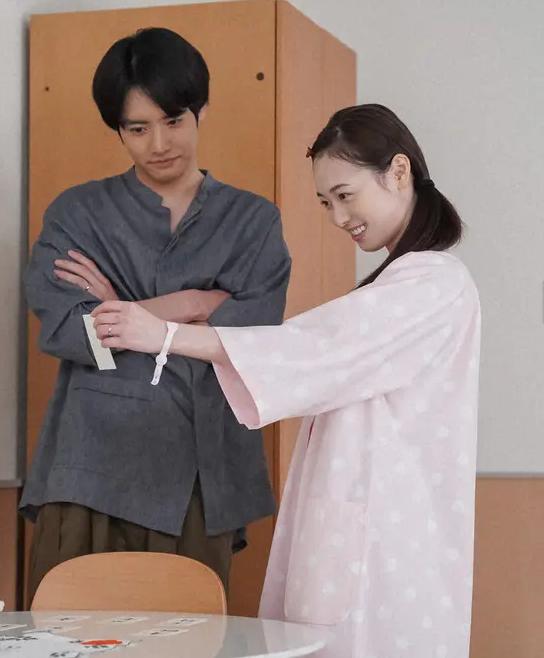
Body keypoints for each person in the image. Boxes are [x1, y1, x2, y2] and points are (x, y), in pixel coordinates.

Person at [92, 103, 480, 658]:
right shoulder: (404, 284)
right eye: (326, 203)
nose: (338, 217)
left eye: (344, 195)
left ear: (399, 172)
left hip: (386, 541)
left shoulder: (435, 283)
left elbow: (313, 349)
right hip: (359, 527)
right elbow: (316, 352)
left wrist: (168, 336)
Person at [21, 27, 291, 603]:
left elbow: (255, 336)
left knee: (186, 633)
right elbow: (69, 329)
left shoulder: (252, 221)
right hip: (89, 463)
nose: (160, 143)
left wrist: (120, 308)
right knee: (65, 632)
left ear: (200, 111)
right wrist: (191, 304)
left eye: (174, 121)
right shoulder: (78, 213)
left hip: (199, 468)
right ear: (117, 130)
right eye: (138, 129)